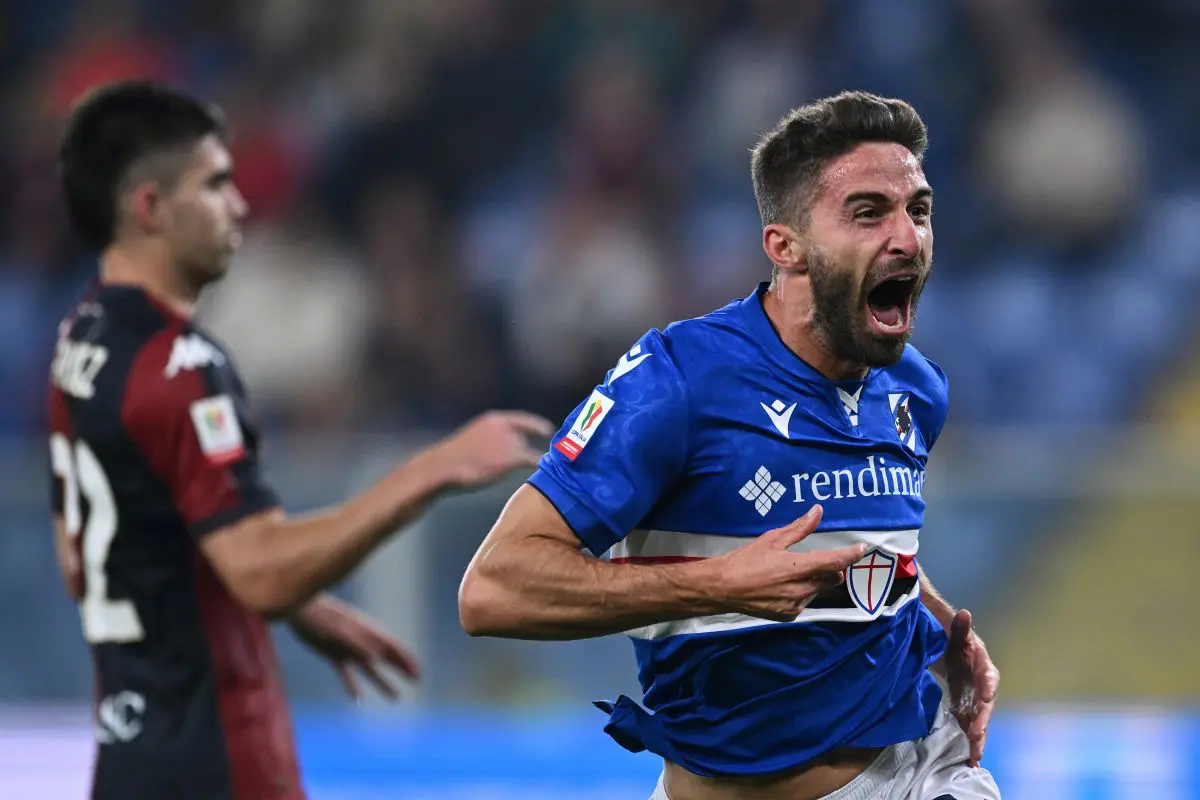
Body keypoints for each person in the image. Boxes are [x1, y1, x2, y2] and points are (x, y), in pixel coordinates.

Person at [459, 91, 1001, 800]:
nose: (908, 238)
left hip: (914, 774)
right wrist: (713, 585)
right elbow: (493, 589)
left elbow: (863, 540)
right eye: (868, 213)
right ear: (785, 246)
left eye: (918, 210)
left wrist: (938, 623)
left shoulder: (914, 387)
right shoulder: (676, 382)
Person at [47, 80, 551, 800]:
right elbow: (263, 571)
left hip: (130, 755)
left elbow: (84, 553)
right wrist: (433, 468)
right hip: (217, 757)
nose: (238, 206)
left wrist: (297, 606)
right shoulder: (180, 367)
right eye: (215, 185)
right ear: (149, 208)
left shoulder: (80, 342)